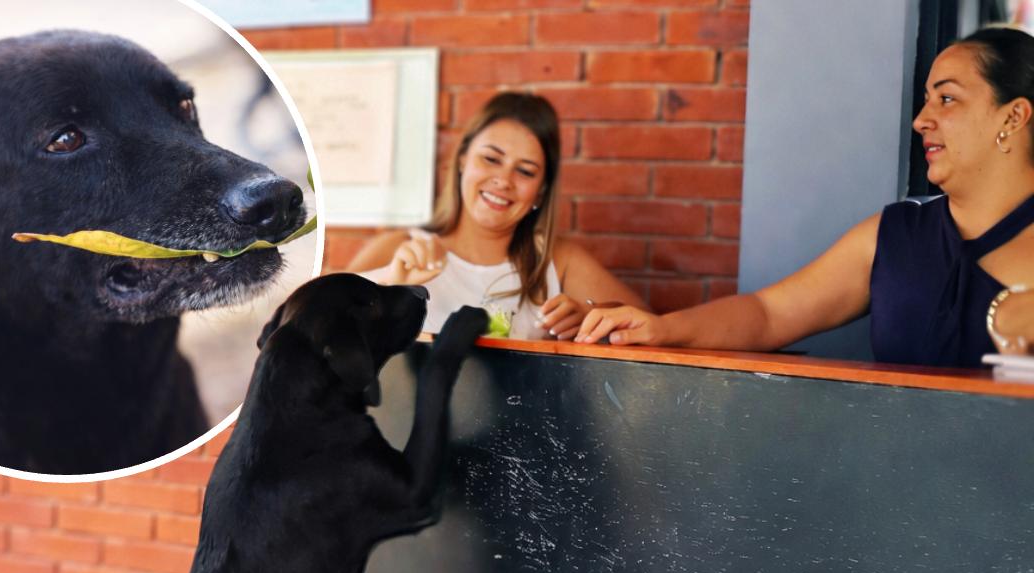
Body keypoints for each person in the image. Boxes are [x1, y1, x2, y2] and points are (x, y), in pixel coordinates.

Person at [575, 27, 1034, 368]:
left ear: (1013, 117)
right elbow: (768, 314)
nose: (921, 120)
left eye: (947, 100)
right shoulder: (894, 235)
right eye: (925, 100)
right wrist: (662, 328)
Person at [346, 92, 650, 340]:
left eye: (525, 171)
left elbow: (647, 326)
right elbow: (310, 330)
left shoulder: (556, 261)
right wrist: (388, 286)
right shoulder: (397, 248)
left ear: (542, 191)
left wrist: (591, 316)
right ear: (463, 159)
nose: (504, 180)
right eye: (491, 159)